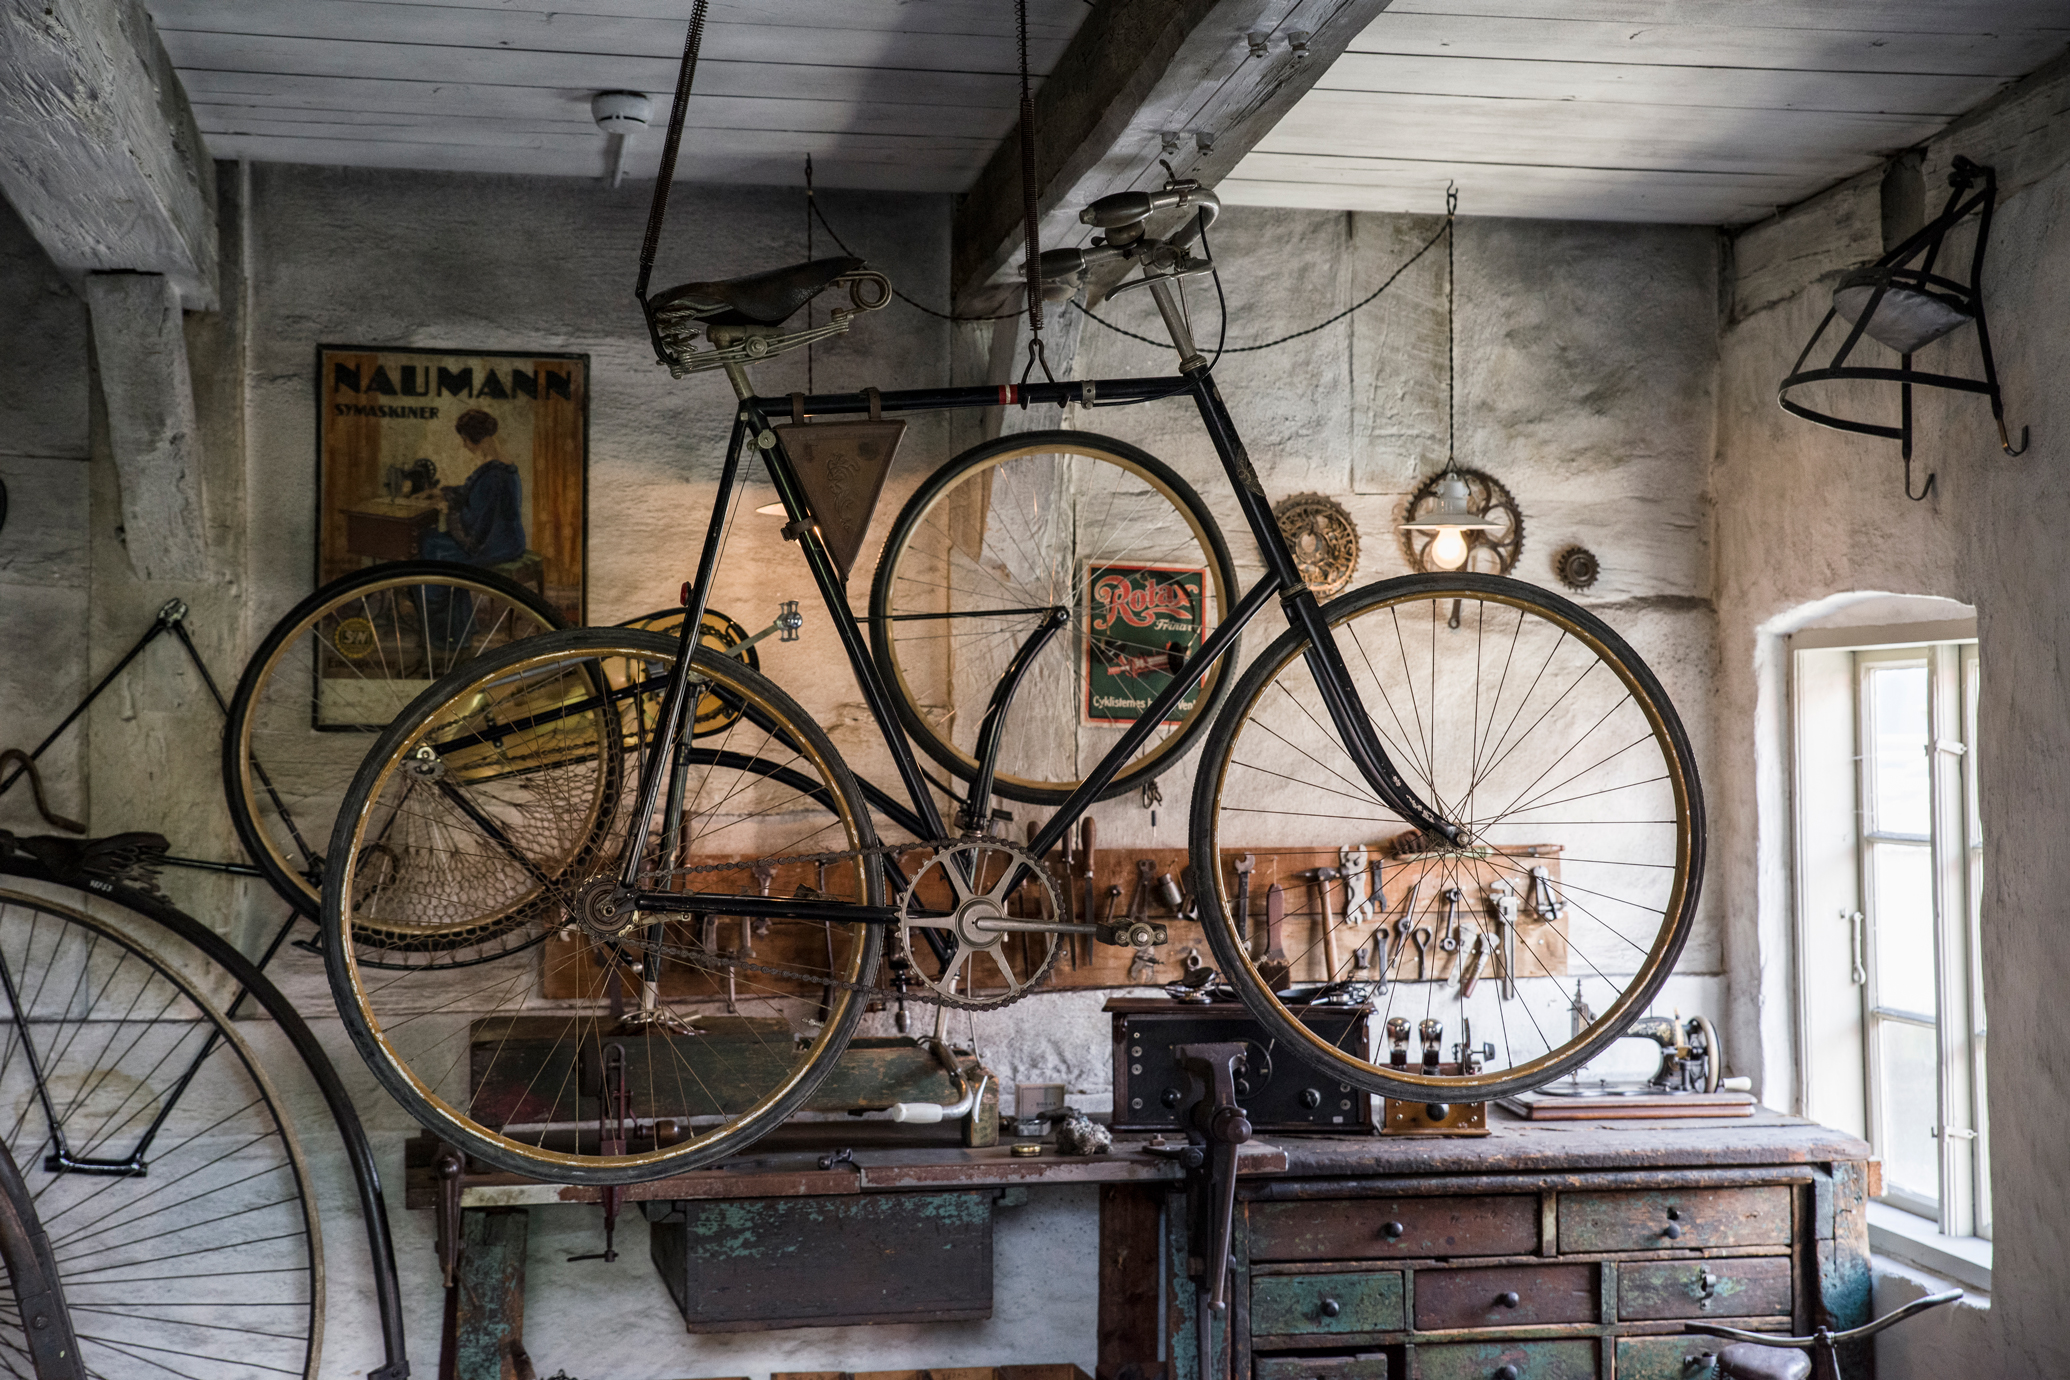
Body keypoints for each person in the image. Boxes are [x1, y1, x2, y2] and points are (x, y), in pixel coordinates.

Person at [418, 409, 526, 657]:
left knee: (431, 549)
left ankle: (447, 637)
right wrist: (443, 493)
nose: (464, 445)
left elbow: (475, 524)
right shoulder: (502, 465)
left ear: (476, 438)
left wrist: (449, 509)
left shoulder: (493, 473)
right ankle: (462, 628)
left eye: (465, 439)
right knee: (432, 542)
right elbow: (476, 496)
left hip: (494, 545)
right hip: (507, 539)